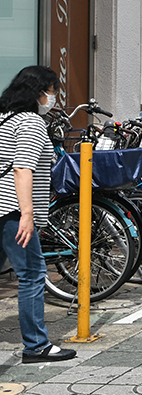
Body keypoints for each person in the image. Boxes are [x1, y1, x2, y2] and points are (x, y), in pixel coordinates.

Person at [0, 65, 76, 363]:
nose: (53, 99)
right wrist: (27, 214)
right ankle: (36, 345)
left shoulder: (4, 118)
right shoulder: (30, 122)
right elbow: (22, 168)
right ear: (38, 92)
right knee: (32, 274)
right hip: (12, 209)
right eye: (52, 92)